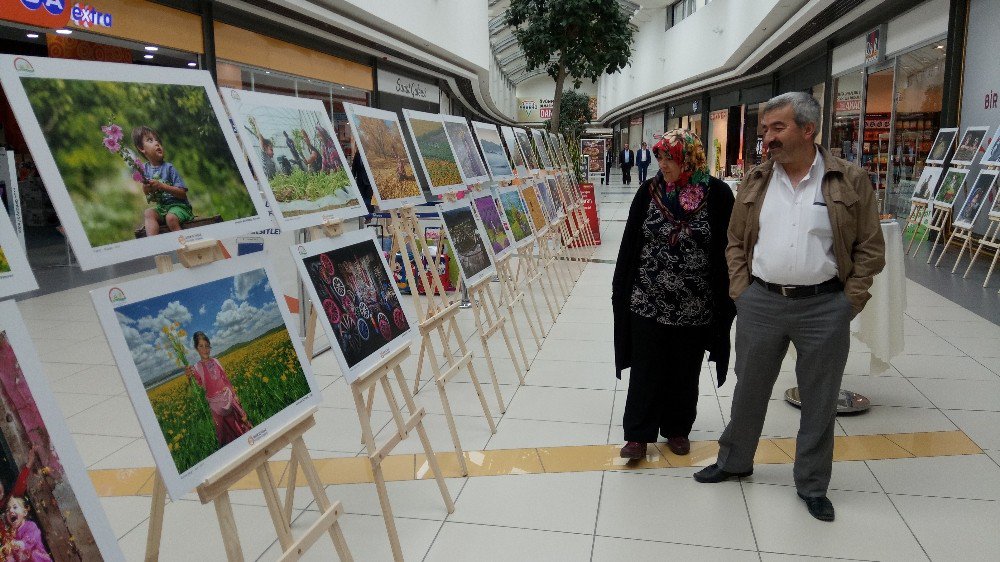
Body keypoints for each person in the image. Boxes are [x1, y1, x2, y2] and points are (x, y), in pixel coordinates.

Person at [694, 92, 885, 523]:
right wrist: (742, 291)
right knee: (749, 388)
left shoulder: (849, 180)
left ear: (808, 129)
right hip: (761, 301)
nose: (767, 138)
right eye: (764, 130)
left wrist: (847, 303)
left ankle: (813, 484)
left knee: (819, 400)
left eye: (777, 128)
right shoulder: (757, 180)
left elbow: (871, 249)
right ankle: (734, 461)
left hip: (824, 306)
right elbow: (736, 242)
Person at [612, 129, 736, 459]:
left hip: (695, 304)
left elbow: (729, 248)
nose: (663, 165)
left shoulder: (718, 195)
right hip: (647, 300)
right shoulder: (649, 192)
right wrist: (620, 289)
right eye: (660, 157)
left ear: (690, 159)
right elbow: (629, 245)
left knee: (685, 369)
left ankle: (677, 429)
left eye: (671, 158)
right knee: (645, 368)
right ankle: (637, 435)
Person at [186, 332, 253, 447]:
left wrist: (234, 394)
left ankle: (250, 444)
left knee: (242, 423)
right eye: (201, 346)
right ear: (196, 349)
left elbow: (225, 380)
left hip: (229, 398)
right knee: (227, 432)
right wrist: (189, 377)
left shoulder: (216, 361)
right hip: (216, 406)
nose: (205, 349)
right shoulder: (196, 368)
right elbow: (197, 387)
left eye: (207, 345)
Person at [133, 126, 192, 237]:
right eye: (150, 140)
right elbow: (148, 195)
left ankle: (185, 244)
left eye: (158, 141)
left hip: (180, 207)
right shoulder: (144, 169)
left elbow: (183, 194)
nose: (157, 143)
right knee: (148, 213)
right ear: (141, 148)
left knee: (170, 218)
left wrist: (162, 186)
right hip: (163, 208)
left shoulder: (169, 168)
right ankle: (155, 245)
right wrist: (146, 189)